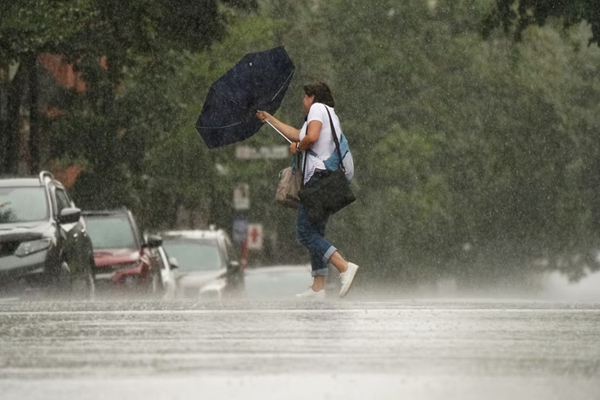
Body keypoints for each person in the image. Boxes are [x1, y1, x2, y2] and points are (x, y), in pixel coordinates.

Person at [256, 82, 359, 300]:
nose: (303, 102)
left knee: (304, 232)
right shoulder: (328, 113)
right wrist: (270, 119)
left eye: (304, 97)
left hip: (319, 180)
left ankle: (343, 267)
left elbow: (309, 138)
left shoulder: (317, 109)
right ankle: (318, 287)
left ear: (312, 97)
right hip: (328, 180)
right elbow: (298, 133)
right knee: (316, 231)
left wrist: (298, 147)